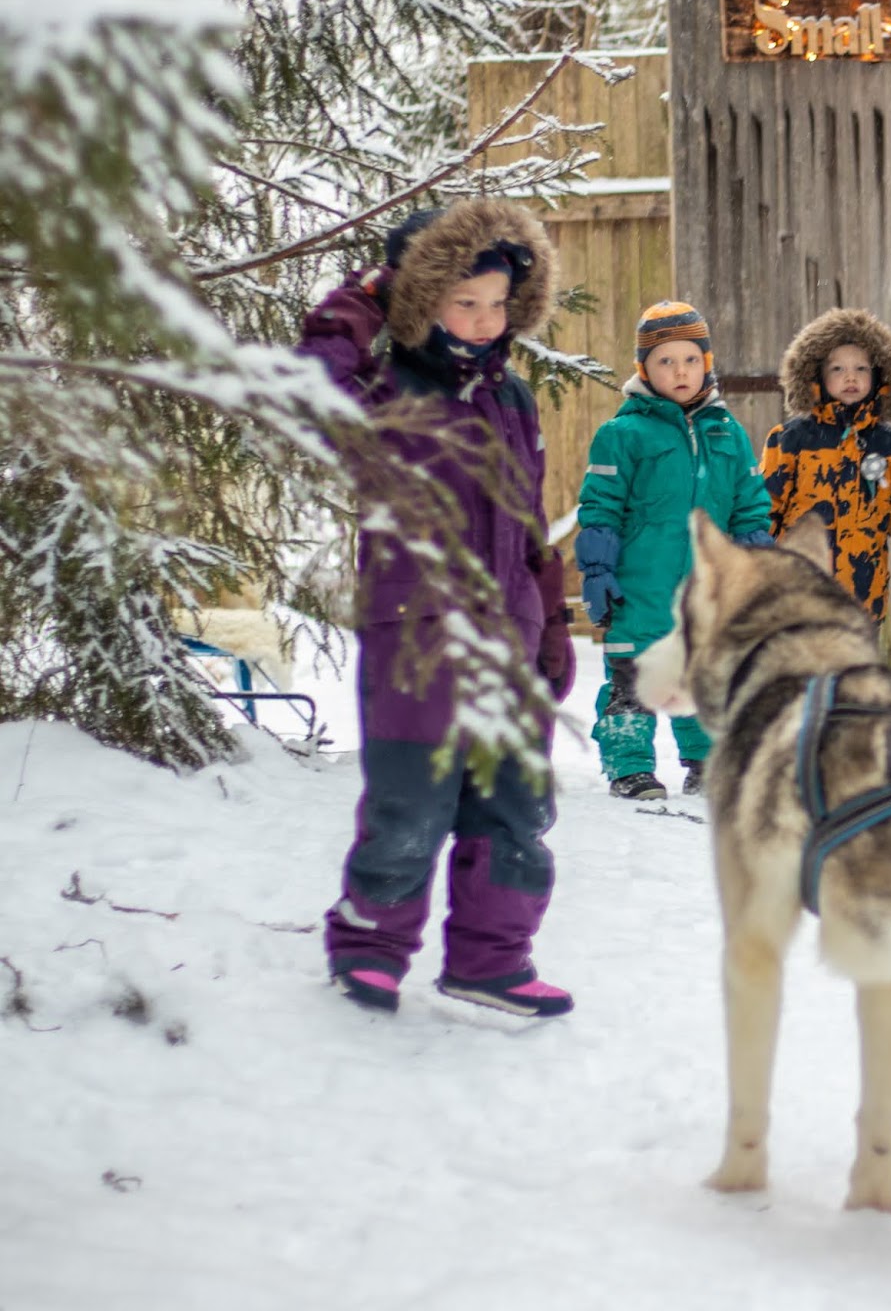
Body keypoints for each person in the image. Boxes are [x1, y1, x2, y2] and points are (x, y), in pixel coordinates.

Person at [298, 201, 577, 1019]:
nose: (485, 321)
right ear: (420, 299)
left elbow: (529, 522)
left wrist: (551, 628)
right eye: (465, 302)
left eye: (498, 304)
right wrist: (369, 293)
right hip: (415, 632)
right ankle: (371, 944)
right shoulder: (385, 390)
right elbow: (312, 383)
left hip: (509, 634)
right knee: (410, 798)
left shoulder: (513, 400)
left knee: (517, 808)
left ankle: (492, 961)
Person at [575, 301, 776, 803]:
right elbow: (599, 510)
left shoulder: (728, 434)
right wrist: (597, 569)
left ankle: (707, 762)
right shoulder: (622, 435)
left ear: (706, 363)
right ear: (644, 368)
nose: (680, 371)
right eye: (665, 361)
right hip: (640, 586)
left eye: (690, 359)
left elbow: (750, 512)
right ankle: (630, 766)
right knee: (632, 677)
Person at [756, 306, 891, 620]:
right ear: (816, 376)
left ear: (880, 375)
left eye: (862, 369)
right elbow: (765, 509)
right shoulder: (789, 441)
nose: (850, 377)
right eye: (837, 369)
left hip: (864, 600)